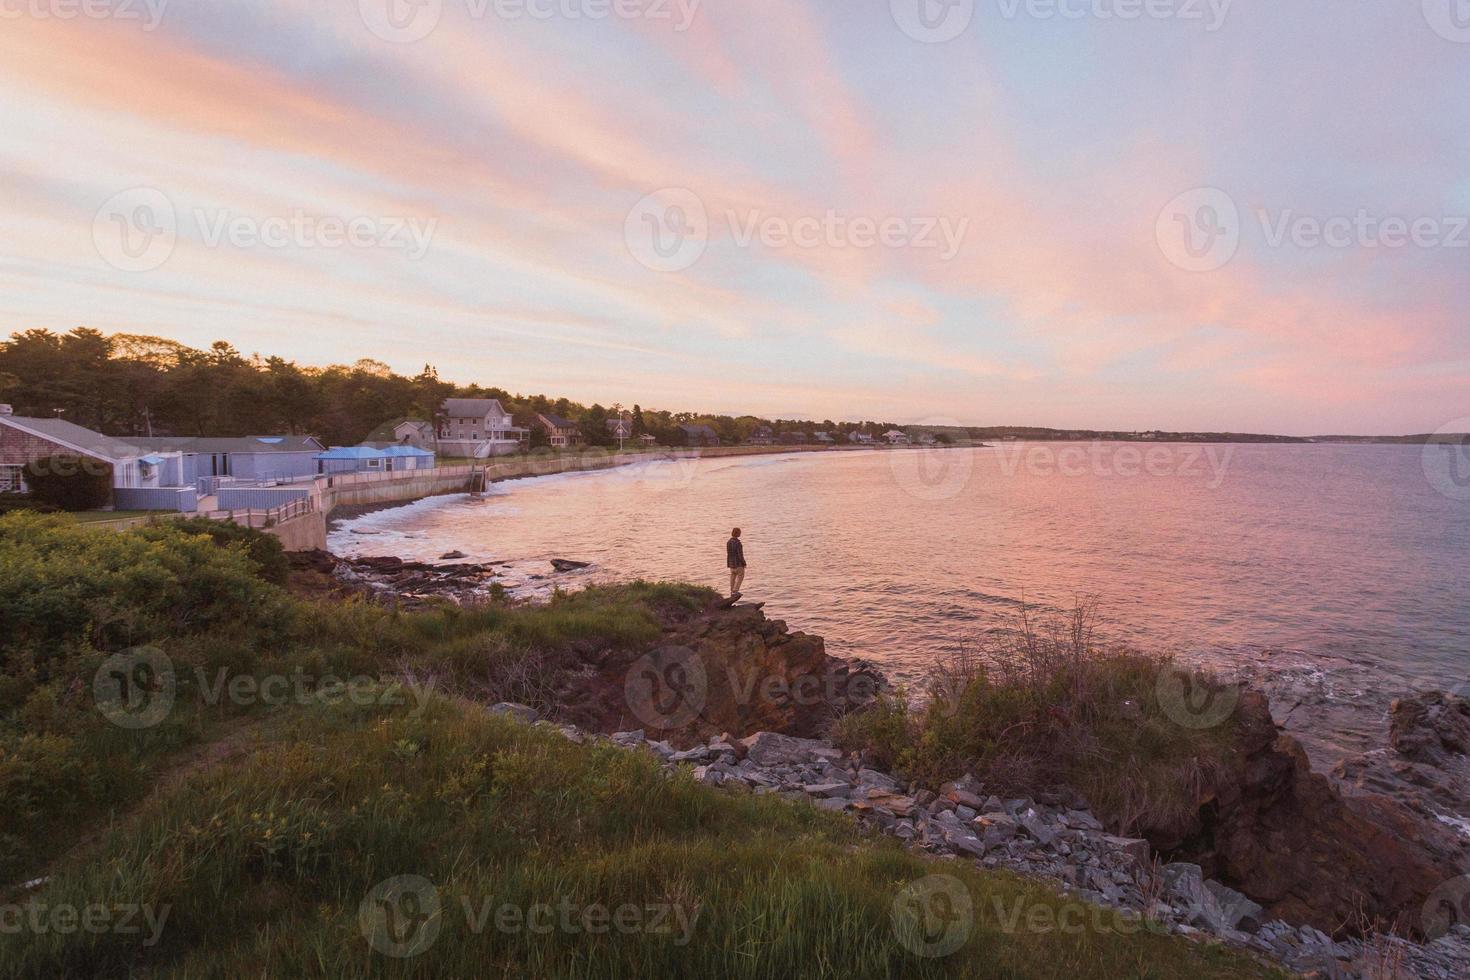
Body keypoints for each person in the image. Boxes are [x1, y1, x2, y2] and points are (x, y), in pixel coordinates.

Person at [726, 527, 746, 598]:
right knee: (741, 576)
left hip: (731, 564)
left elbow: (728, 553)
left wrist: (728, 564)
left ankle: (732, 591)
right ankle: (735, 590)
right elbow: (740, 555)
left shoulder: (728, 542)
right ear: (737, 533)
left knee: (733, 576)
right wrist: (744, 563)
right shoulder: (738, 543)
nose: (740, 533)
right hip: (738, 564)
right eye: (740, 532)